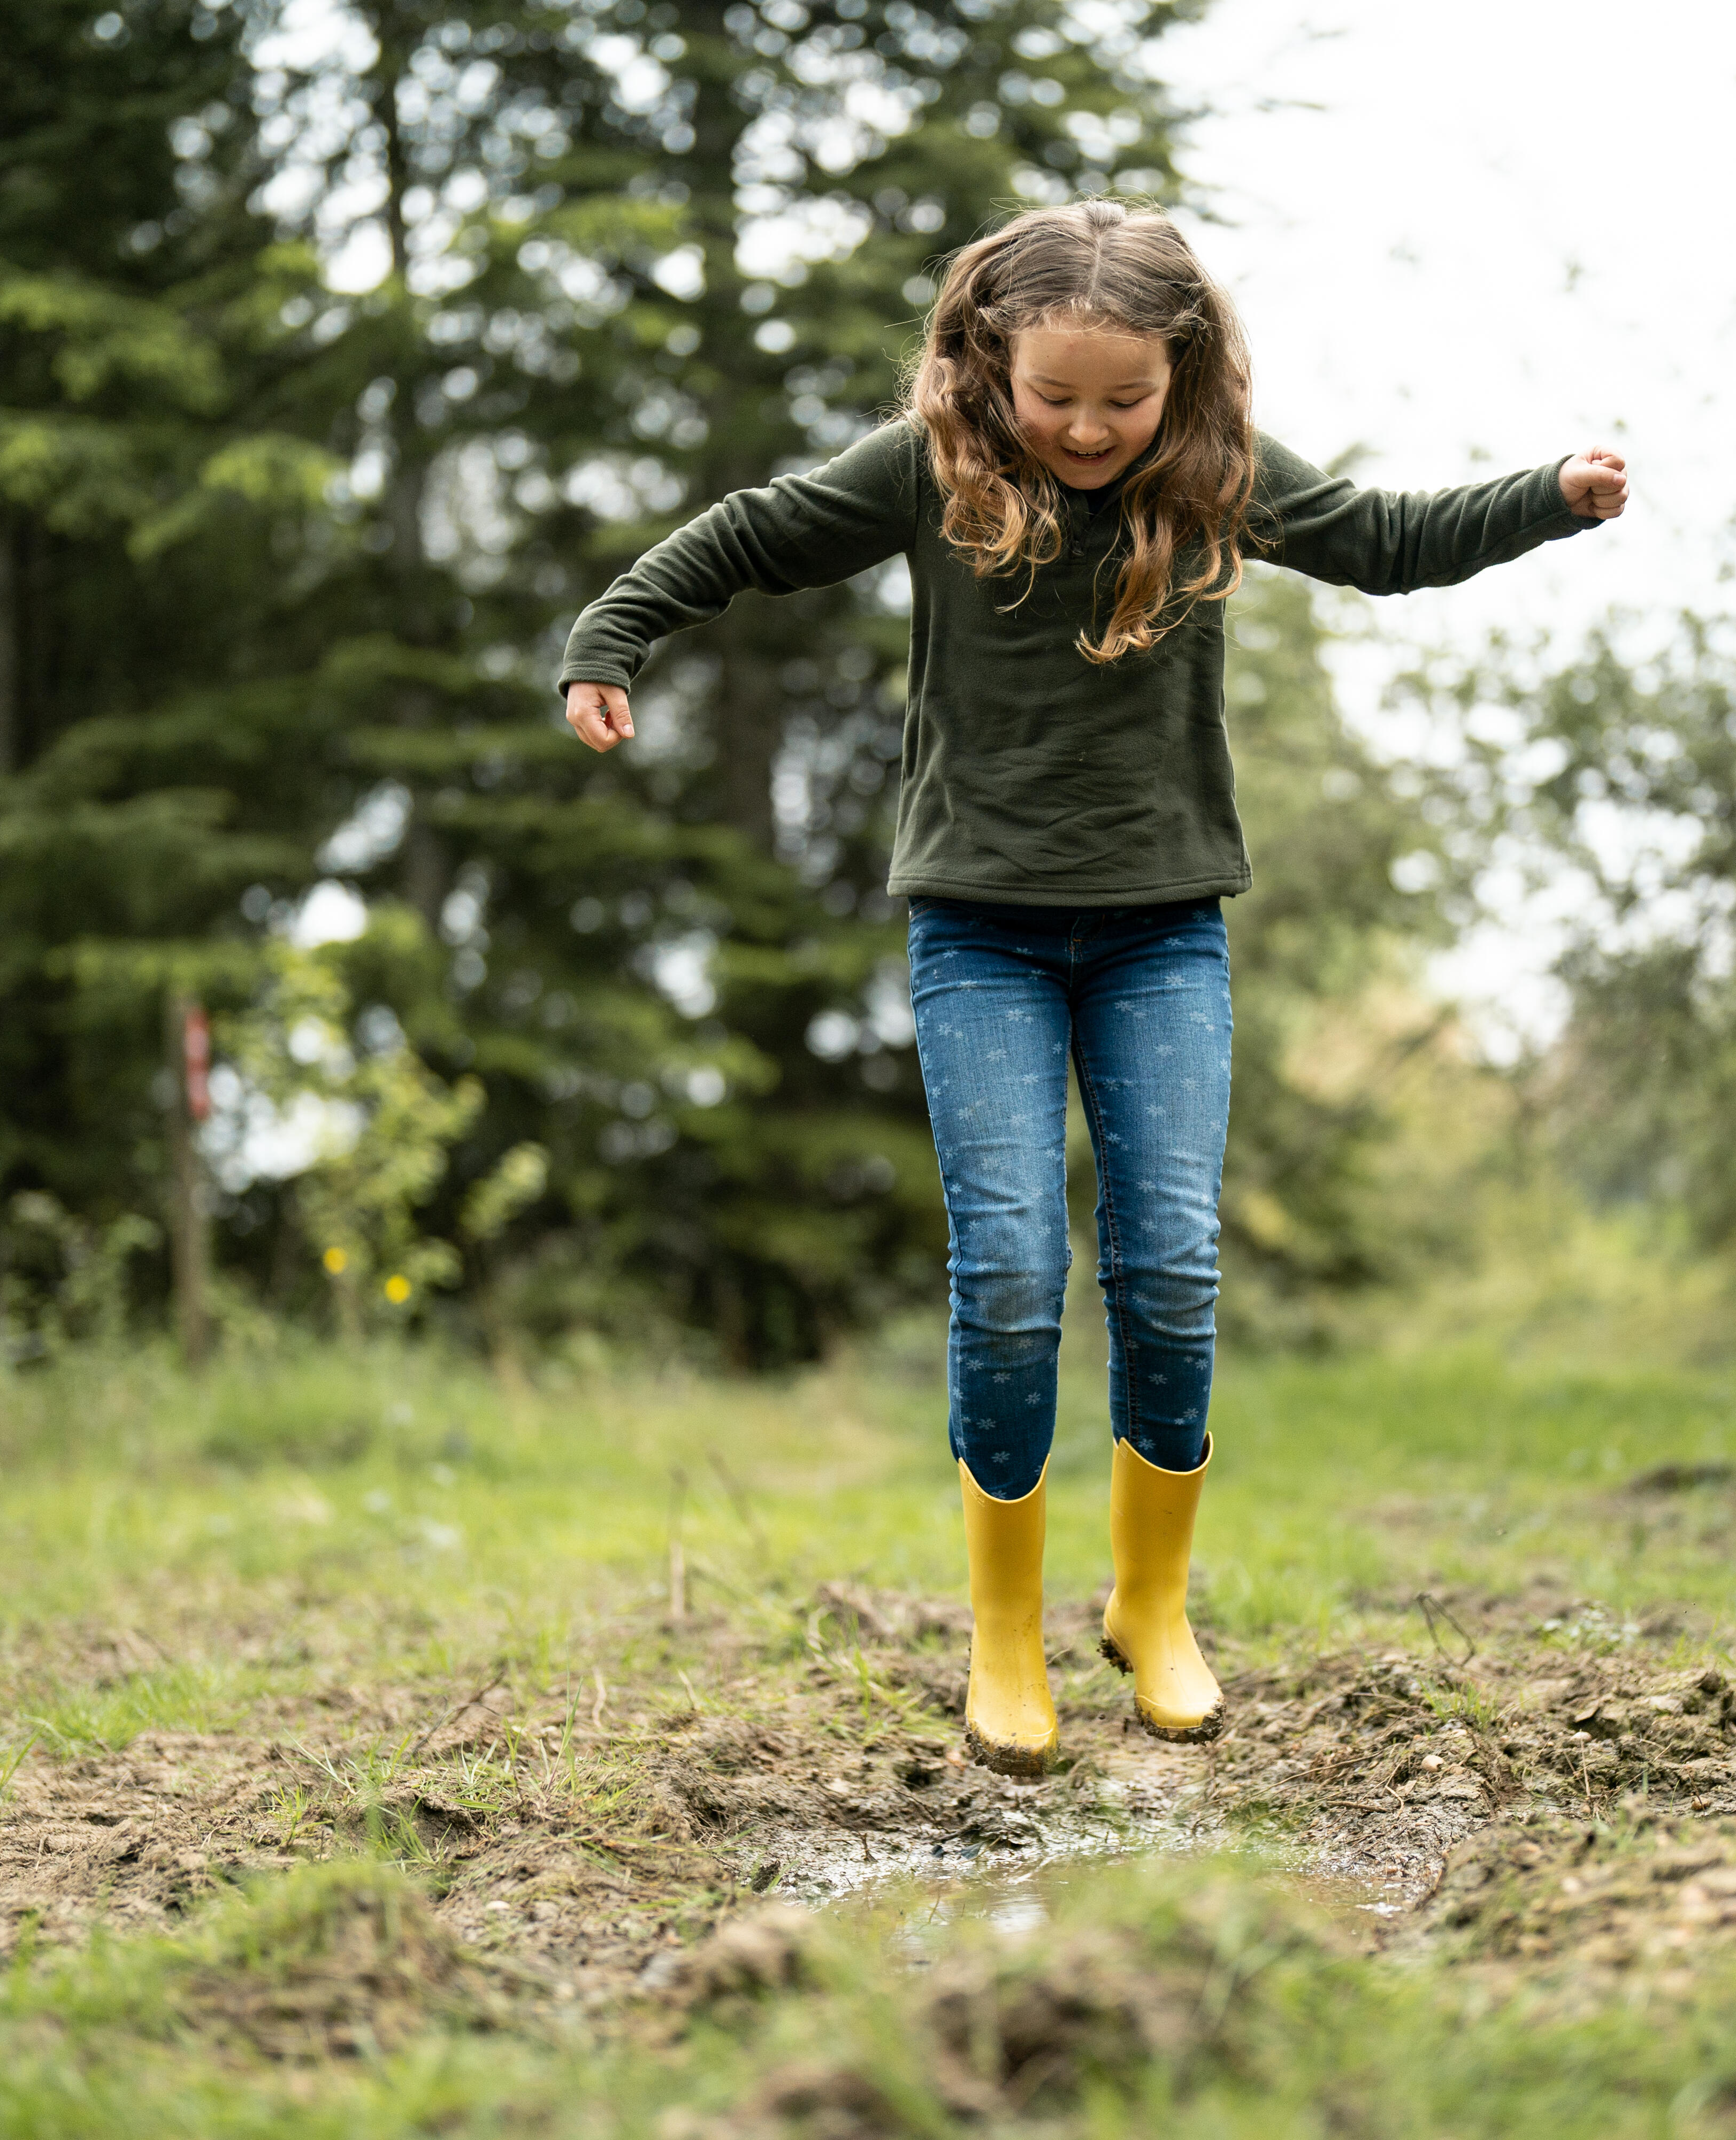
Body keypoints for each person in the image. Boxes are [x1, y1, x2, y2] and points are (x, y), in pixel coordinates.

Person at [557, 200, 1630, 1777]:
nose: (1085, 427)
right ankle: (1004, 1631)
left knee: (1172, 1266)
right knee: (1007, 1270)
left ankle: (1153, 1604)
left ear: (1180, 381)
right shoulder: (931, 474)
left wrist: (1544, 499)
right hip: (979, 932)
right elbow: (749, 535)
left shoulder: (1216, 482)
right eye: (1055, 396)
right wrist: (612, 635)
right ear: (990, 366)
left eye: (1122, 401)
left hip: (1160, 933)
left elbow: (1395, 544)